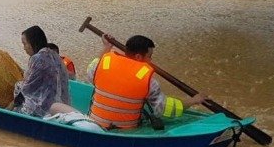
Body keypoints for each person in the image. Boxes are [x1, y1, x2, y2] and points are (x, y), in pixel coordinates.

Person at [53, 34, 207, 130]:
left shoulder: (103, 64)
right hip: (125, 130)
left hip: (96, 124)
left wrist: (106, 47)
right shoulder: (148, 80)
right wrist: (193, 101)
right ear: (139, 57)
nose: (151, 60)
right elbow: (163, 109)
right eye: (150, 56)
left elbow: (91, 71)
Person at [12, 26, 71, 117]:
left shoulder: (37, 59)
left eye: (25, 44)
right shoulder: (54, 54)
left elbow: (27, 88)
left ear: (33, 42)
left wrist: (11, 105)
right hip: (60, 103)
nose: (24, 48)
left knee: (17, 86)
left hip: (44, 107)